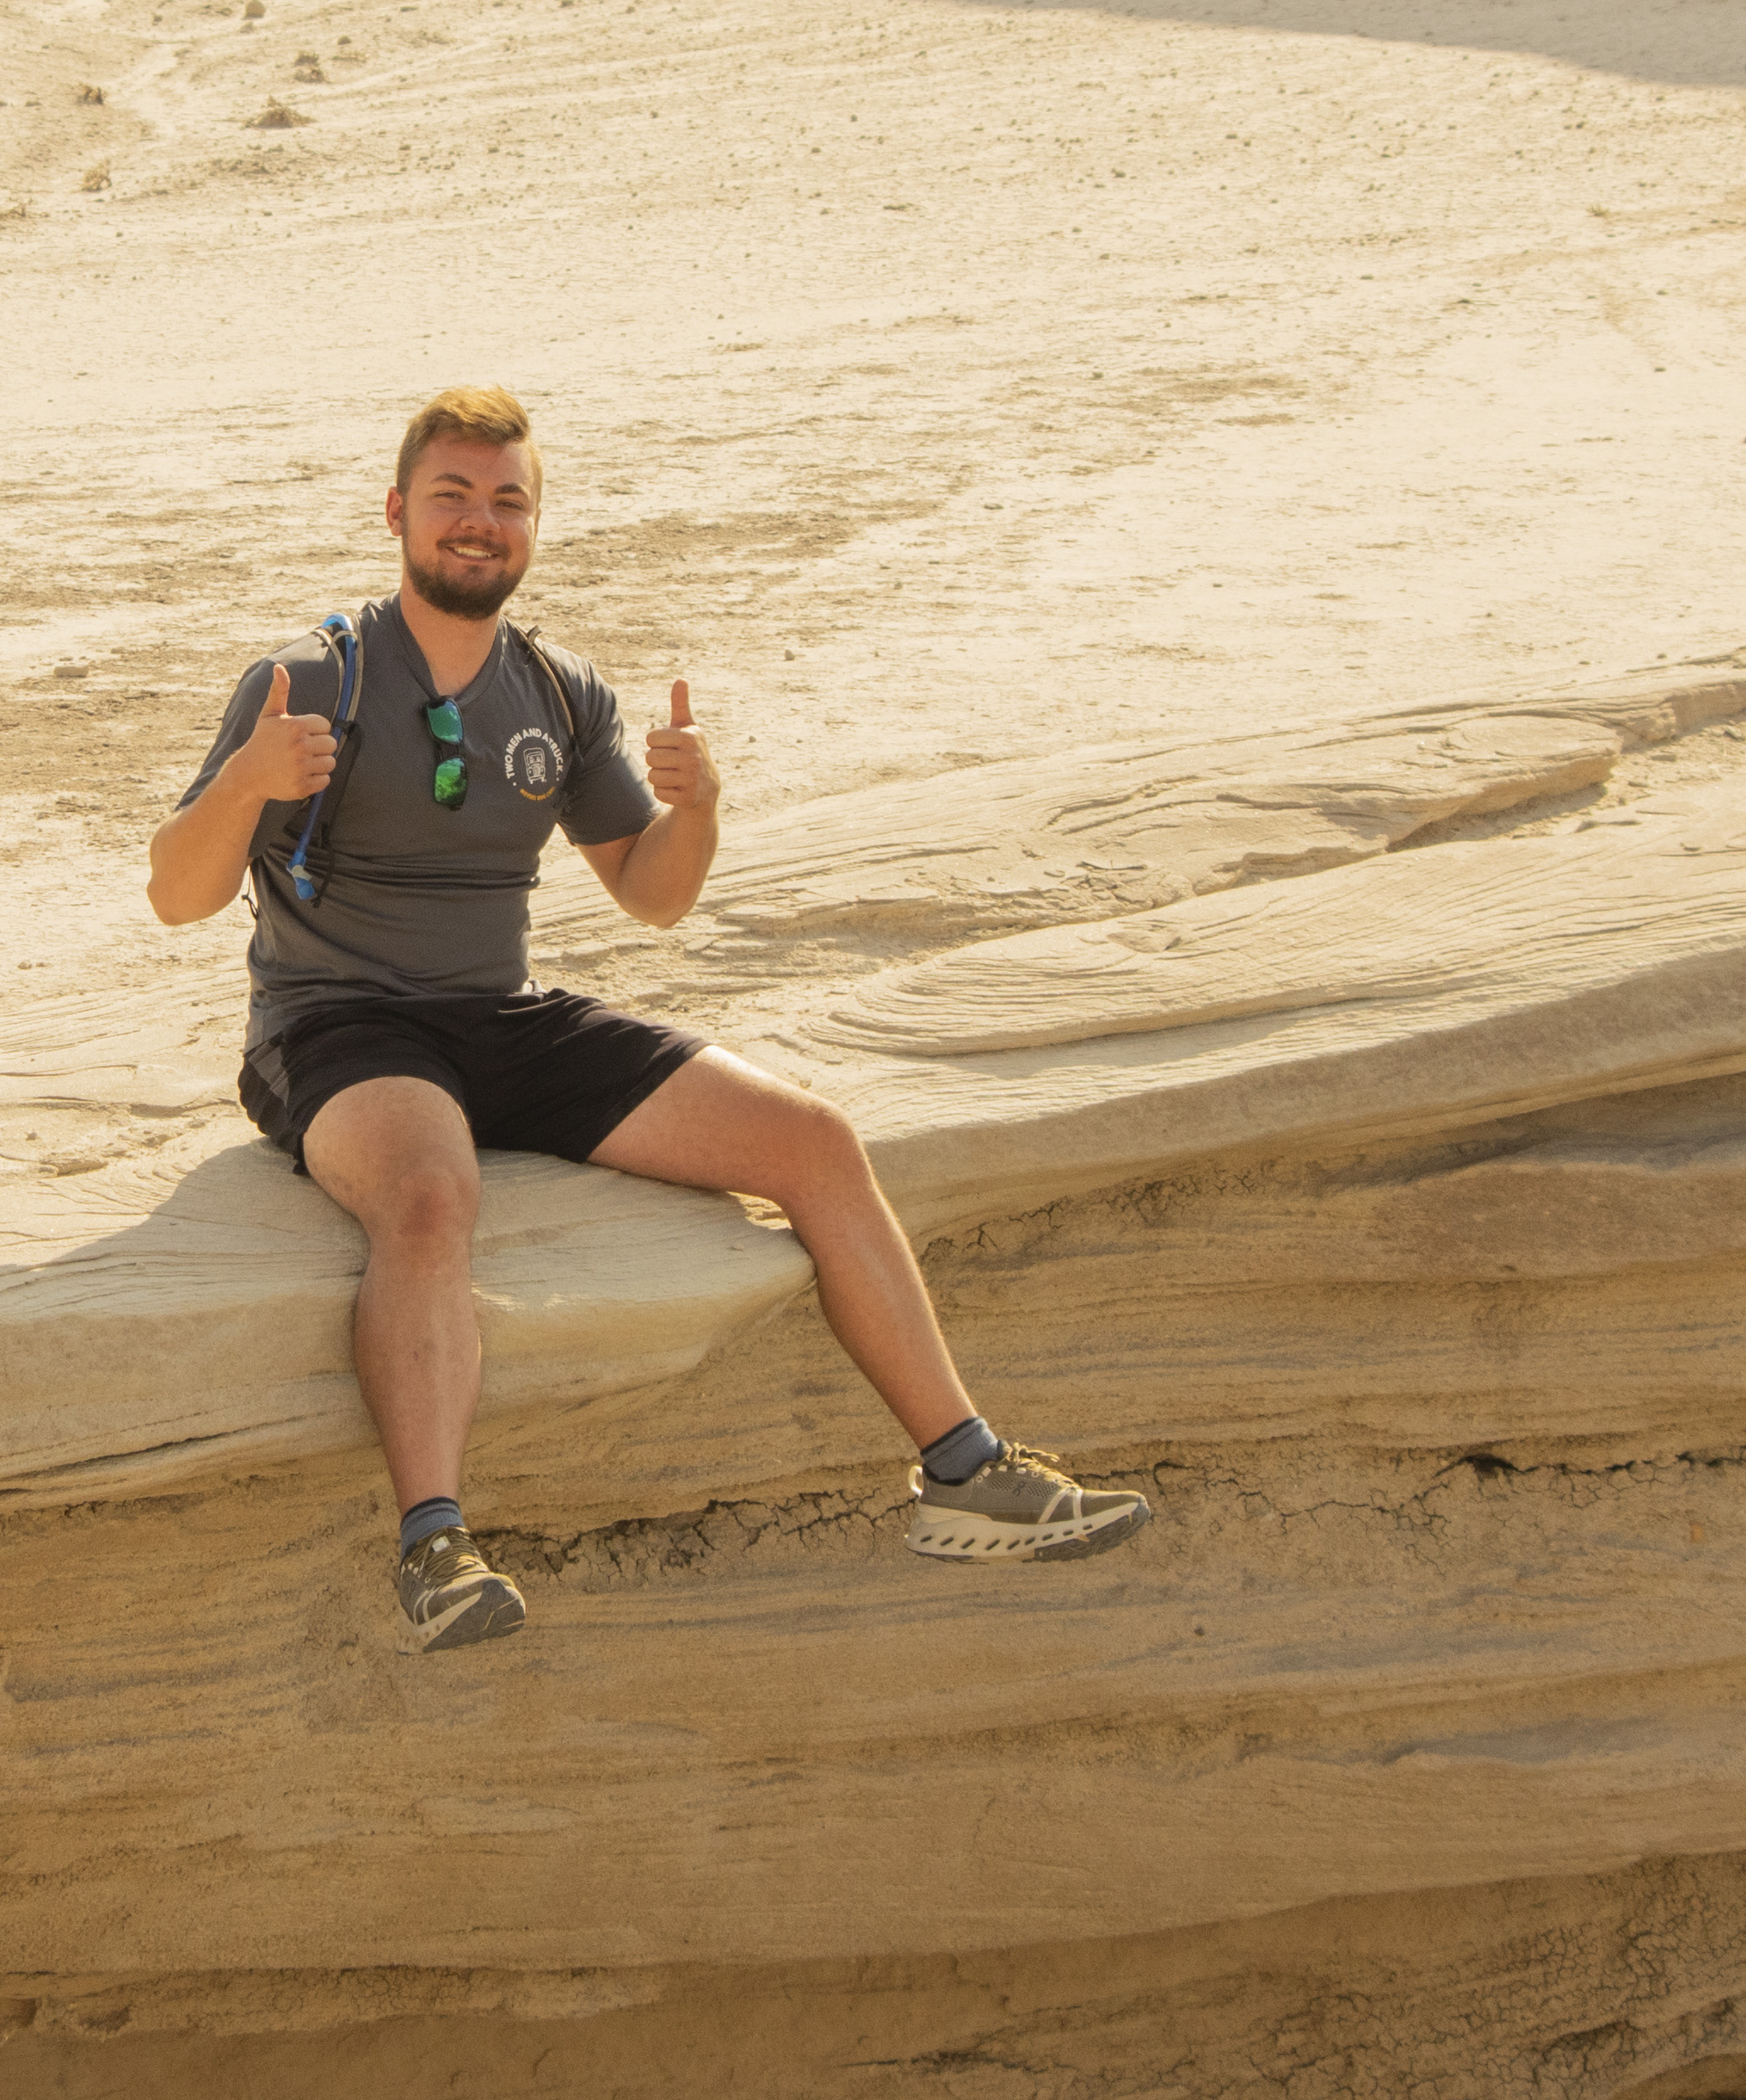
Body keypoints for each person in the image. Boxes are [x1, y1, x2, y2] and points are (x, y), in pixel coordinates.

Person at [149, 383, 1150, 1650]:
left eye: (507, 501)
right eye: (452, 497)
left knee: (813, 1140)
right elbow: (178, 896)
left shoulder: (558, 694)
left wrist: (702, 814)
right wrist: (245, 781)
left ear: (534, 524)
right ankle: (436, 1547)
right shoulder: (307, 681)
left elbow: (650, 894)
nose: (479, 523)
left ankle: (965, 1472)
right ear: (399, 513)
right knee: (430, 1193)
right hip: (340, 1030)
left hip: (503, 1019)